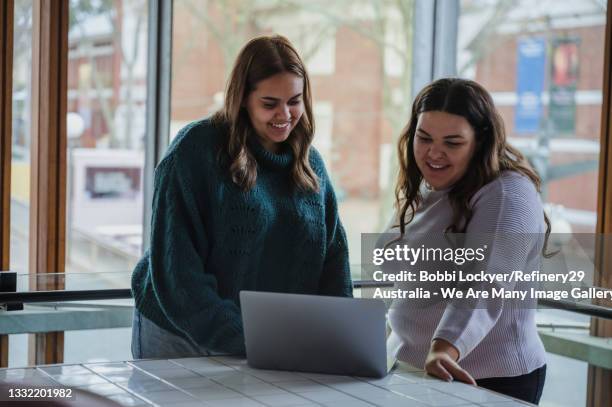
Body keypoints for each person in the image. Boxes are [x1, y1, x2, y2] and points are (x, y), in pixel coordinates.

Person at [131, 35, 352, 359]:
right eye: (269, 103)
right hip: (178, 331)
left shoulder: (310, 164)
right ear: (243, 98)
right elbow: (179, 276)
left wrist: (340, 331)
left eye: (294, 100)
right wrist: (250, 341)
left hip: (266, 339)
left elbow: (333, 261)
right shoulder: (195, 150)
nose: (285, 114)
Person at [385, 78, 548, 405]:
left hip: (483, 378)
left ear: (481, 141)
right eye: (424, 137)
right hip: (414, 369)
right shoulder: (432, 189)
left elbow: (486, 283)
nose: (434, 153)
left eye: (452, 142)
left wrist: (444, 348)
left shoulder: (507, 193)